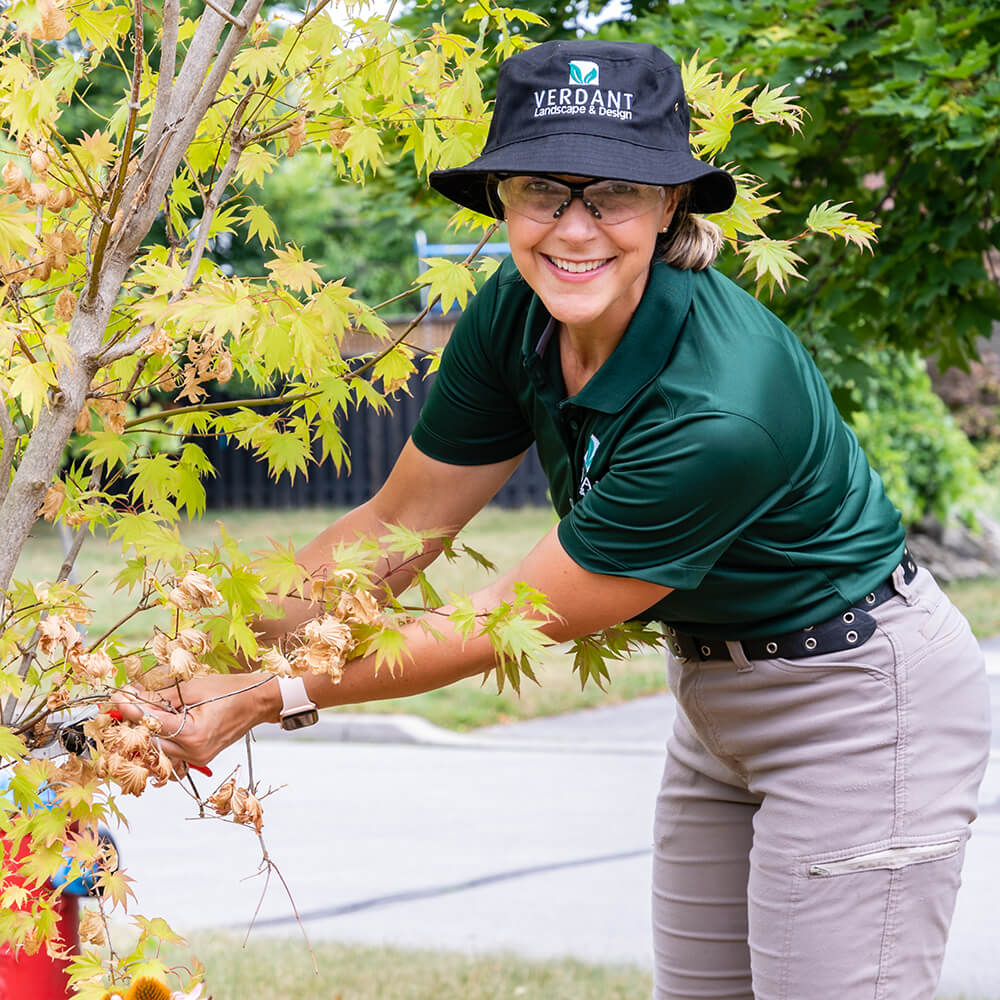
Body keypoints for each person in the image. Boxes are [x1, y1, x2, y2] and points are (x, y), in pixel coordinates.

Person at [120, 41, 991, 1000]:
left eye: (612, 192)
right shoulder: (519, 313)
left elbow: (497, 621)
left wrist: (257, 695)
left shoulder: (720, 413)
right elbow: (395, 526)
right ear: (503, 199)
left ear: (671, 206)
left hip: (859, 703)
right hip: (715, 695)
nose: (574, 230)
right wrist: (189, 643)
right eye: (543, 189)